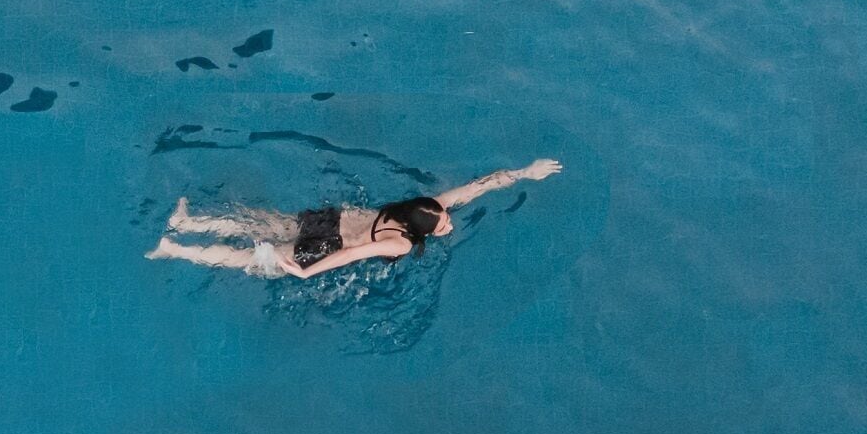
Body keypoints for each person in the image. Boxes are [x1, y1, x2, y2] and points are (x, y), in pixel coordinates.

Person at [147, 160, 562, 278]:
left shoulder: (417, 206)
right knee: (247, 259)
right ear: (419, 232)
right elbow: (350, 257)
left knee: (255, 223)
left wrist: (526, 172)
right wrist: (309, 273)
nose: (449, 222)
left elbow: (477, 186)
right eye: (443, 225)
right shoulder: (399, 242)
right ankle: (175, 249)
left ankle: (188, 223)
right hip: (327, 246)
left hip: (330, 219)